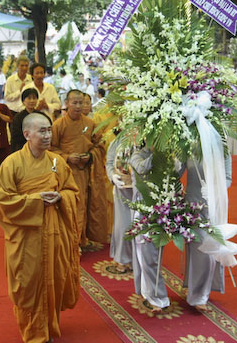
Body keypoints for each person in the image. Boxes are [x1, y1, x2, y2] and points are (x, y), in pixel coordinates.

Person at [0, 112, 80, 343]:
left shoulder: (57, 162)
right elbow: (2, 202)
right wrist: (35, 201)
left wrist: (61, 197)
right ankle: (33, 332)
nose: (47, 135)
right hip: (26, 237)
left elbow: (72, 192)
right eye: (42, 131)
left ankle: (49, 326)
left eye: (49, 130)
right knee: (28, 284)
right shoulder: (11, 164)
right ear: (27, 134)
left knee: (54, 279)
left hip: (53, 233)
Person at [51, 89, 108, 248]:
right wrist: (67, 157)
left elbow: (100, 146)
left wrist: (90, 156)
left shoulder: (90, 124)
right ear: (67, 103)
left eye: (81, 103)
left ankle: (82, 240)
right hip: (66, 175)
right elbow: (50, 150)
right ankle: (69, 243)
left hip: (85, 173)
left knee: (85, 206)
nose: (78, 106)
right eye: (74, 103)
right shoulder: (58, 125)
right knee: (70, 207)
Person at [183, 154, 233, 311]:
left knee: (210, 250)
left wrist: (215, 189)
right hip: (193, 205)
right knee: (198, 248)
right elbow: (176, 174)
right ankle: (196, 292)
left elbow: (227, 178)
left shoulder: (222, 149)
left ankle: (201, 294)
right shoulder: (188, 147)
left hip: (213, 205)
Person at [130, 146, 170, 312]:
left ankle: (149, 291)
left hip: (161, 209)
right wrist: (157, 155)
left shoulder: (166, 155)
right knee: (147, 255)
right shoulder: (137, 155)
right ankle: (157, 296)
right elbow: (142, 168)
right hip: (143, 211)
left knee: (154, 255)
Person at [105, 135, 133, 274]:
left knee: (140, 224)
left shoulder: (147, 140)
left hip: (142, 190)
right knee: (123, 224)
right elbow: (110, 163)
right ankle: (122, 259)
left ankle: (137, 259)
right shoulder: (118, 140)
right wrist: (112, 176)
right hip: (123, 189)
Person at [10, 88, 39, 153]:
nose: (32, 101)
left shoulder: (41, 116)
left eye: (34, 98)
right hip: (22, 148)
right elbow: (15, 136)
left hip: (38, 147)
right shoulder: (18, 117)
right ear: (23, 101)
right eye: (29, 98)